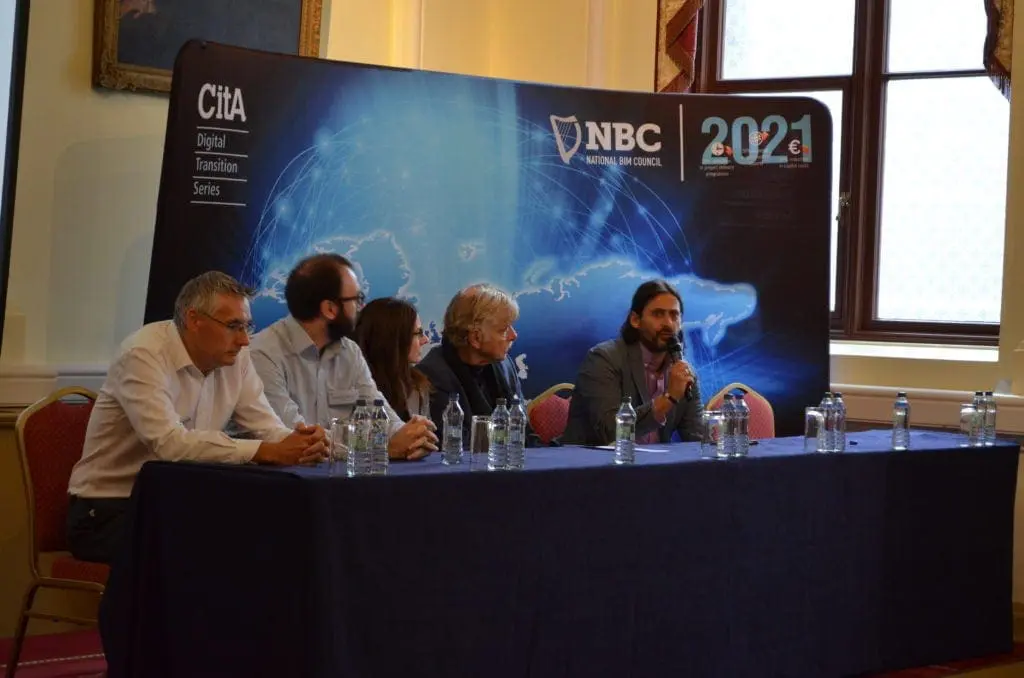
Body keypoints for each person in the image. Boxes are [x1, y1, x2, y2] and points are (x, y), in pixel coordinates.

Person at [66, 271, 326, 564]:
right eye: (233, 326)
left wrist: (302, 443)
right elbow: (170, 444)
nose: (244, 340)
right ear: (194, 319)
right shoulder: (143, 354)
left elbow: (266, 427)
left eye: (247, 326)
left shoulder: (236, 358)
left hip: (179, 500)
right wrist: (267, 451)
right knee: (221, 549)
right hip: (108, 511)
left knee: (274, 532)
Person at [250, 254, 437, 459]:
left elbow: (381, 415)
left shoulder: (350, 352)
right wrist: (382, 448)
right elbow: (296, 438)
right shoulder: (264, 353)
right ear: (330, 309)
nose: (361, 307)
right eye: (357, 299)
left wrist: (410, 436)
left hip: (343, 473)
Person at [563, 279, 703, 445]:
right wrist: (668, 399)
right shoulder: (603, 359)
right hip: (591, 460)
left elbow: (698, 439)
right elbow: (610, 432)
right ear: (635, 320)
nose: (668, 323)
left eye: (674, 315)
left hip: (654, 461)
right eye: (658, 314)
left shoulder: (684, 374)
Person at [417, 284, 524, 439]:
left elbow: (521, 428)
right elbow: (453, 441)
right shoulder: (432, 376)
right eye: (503, 330)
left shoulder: (505, 364)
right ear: (475, 338)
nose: (514, 336)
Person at [354, 297, 432, 421]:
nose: (425, 340)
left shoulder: (416, 385)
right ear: (394, 340)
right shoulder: (357, 387)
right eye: (418, 333)